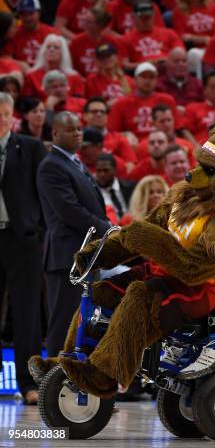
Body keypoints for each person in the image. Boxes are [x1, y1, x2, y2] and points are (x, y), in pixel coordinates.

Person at [36, 111, 110, 358]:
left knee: (83, 320)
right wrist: (105, 227)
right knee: (65, 320)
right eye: (70, 129)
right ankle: (54, 374)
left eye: (79, 128)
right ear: (55, 133)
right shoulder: (51, 166)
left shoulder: (73, 162)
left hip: (87, 254)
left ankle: (77, 375)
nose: (78, 133)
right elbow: (69, 211)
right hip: (67, 254)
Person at [0, 92, 47, 405]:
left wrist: (37, 231)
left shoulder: (29, 147)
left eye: (3, 113)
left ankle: (29, 383)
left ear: (11, 116)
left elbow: (44, 193)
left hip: (21, 240)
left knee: (26, 313)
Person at [107, 62, 177, 141]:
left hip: (162, 144)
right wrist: (125, 135)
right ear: (135, 79)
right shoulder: (121, 103)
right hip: (133, 146)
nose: (147, 80)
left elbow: (178, 128)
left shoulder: (167, 100)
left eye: (151, 77)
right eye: (143, 77)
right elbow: (111, 133)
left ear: (156, 80)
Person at [122, 0, 184, 70]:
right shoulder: (126, 39)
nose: (146, 21)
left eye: (149, 17)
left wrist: (166, 61)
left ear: (154, 15)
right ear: (133, 17)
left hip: (168, 71)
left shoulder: (169, 33)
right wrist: (145, 64)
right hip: (143, 74)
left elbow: (181, 56)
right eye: (142, 18)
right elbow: (124, 65)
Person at [22, 34, 85, 100]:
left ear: (63, 53)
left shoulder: (74, 77)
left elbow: (79, 103)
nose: (51, 50)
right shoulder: (31, 76)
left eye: (56, 47)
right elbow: (27, 104)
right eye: (48, 47)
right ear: (43, 51)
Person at [83, 97, 137, 171]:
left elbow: (130, 165)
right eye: (94, 111)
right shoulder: (77, 137)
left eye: (102, 112)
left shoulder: (119, 138)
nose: (99, 114)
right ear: (85, 116)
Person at [69, 9, 126, 77]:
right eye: (85, 20)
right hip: (83, 81)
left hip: (107, 79)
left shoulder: (113, 41)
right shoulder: (76, 41)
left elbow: (119, 66)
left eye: (89, 22)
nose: (85, 24)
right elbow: (72, 67)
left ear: (100, 25)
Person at [6, 0, 58, 69]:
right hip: (22, 73)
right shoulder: (13, 33)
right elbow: (6, 58)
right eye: (23, 14)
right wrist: (22, 65)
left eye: (31, 13)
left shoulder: (51, 32)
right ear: (19, 16)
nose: (28, 18)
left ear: (39, 13)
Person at [95, 153, 135, 221]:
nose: (102, 174)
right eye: (98, 171)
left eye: (106, 170)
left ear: (115, 170)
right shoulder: (94, 193)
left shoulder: (130, 188)